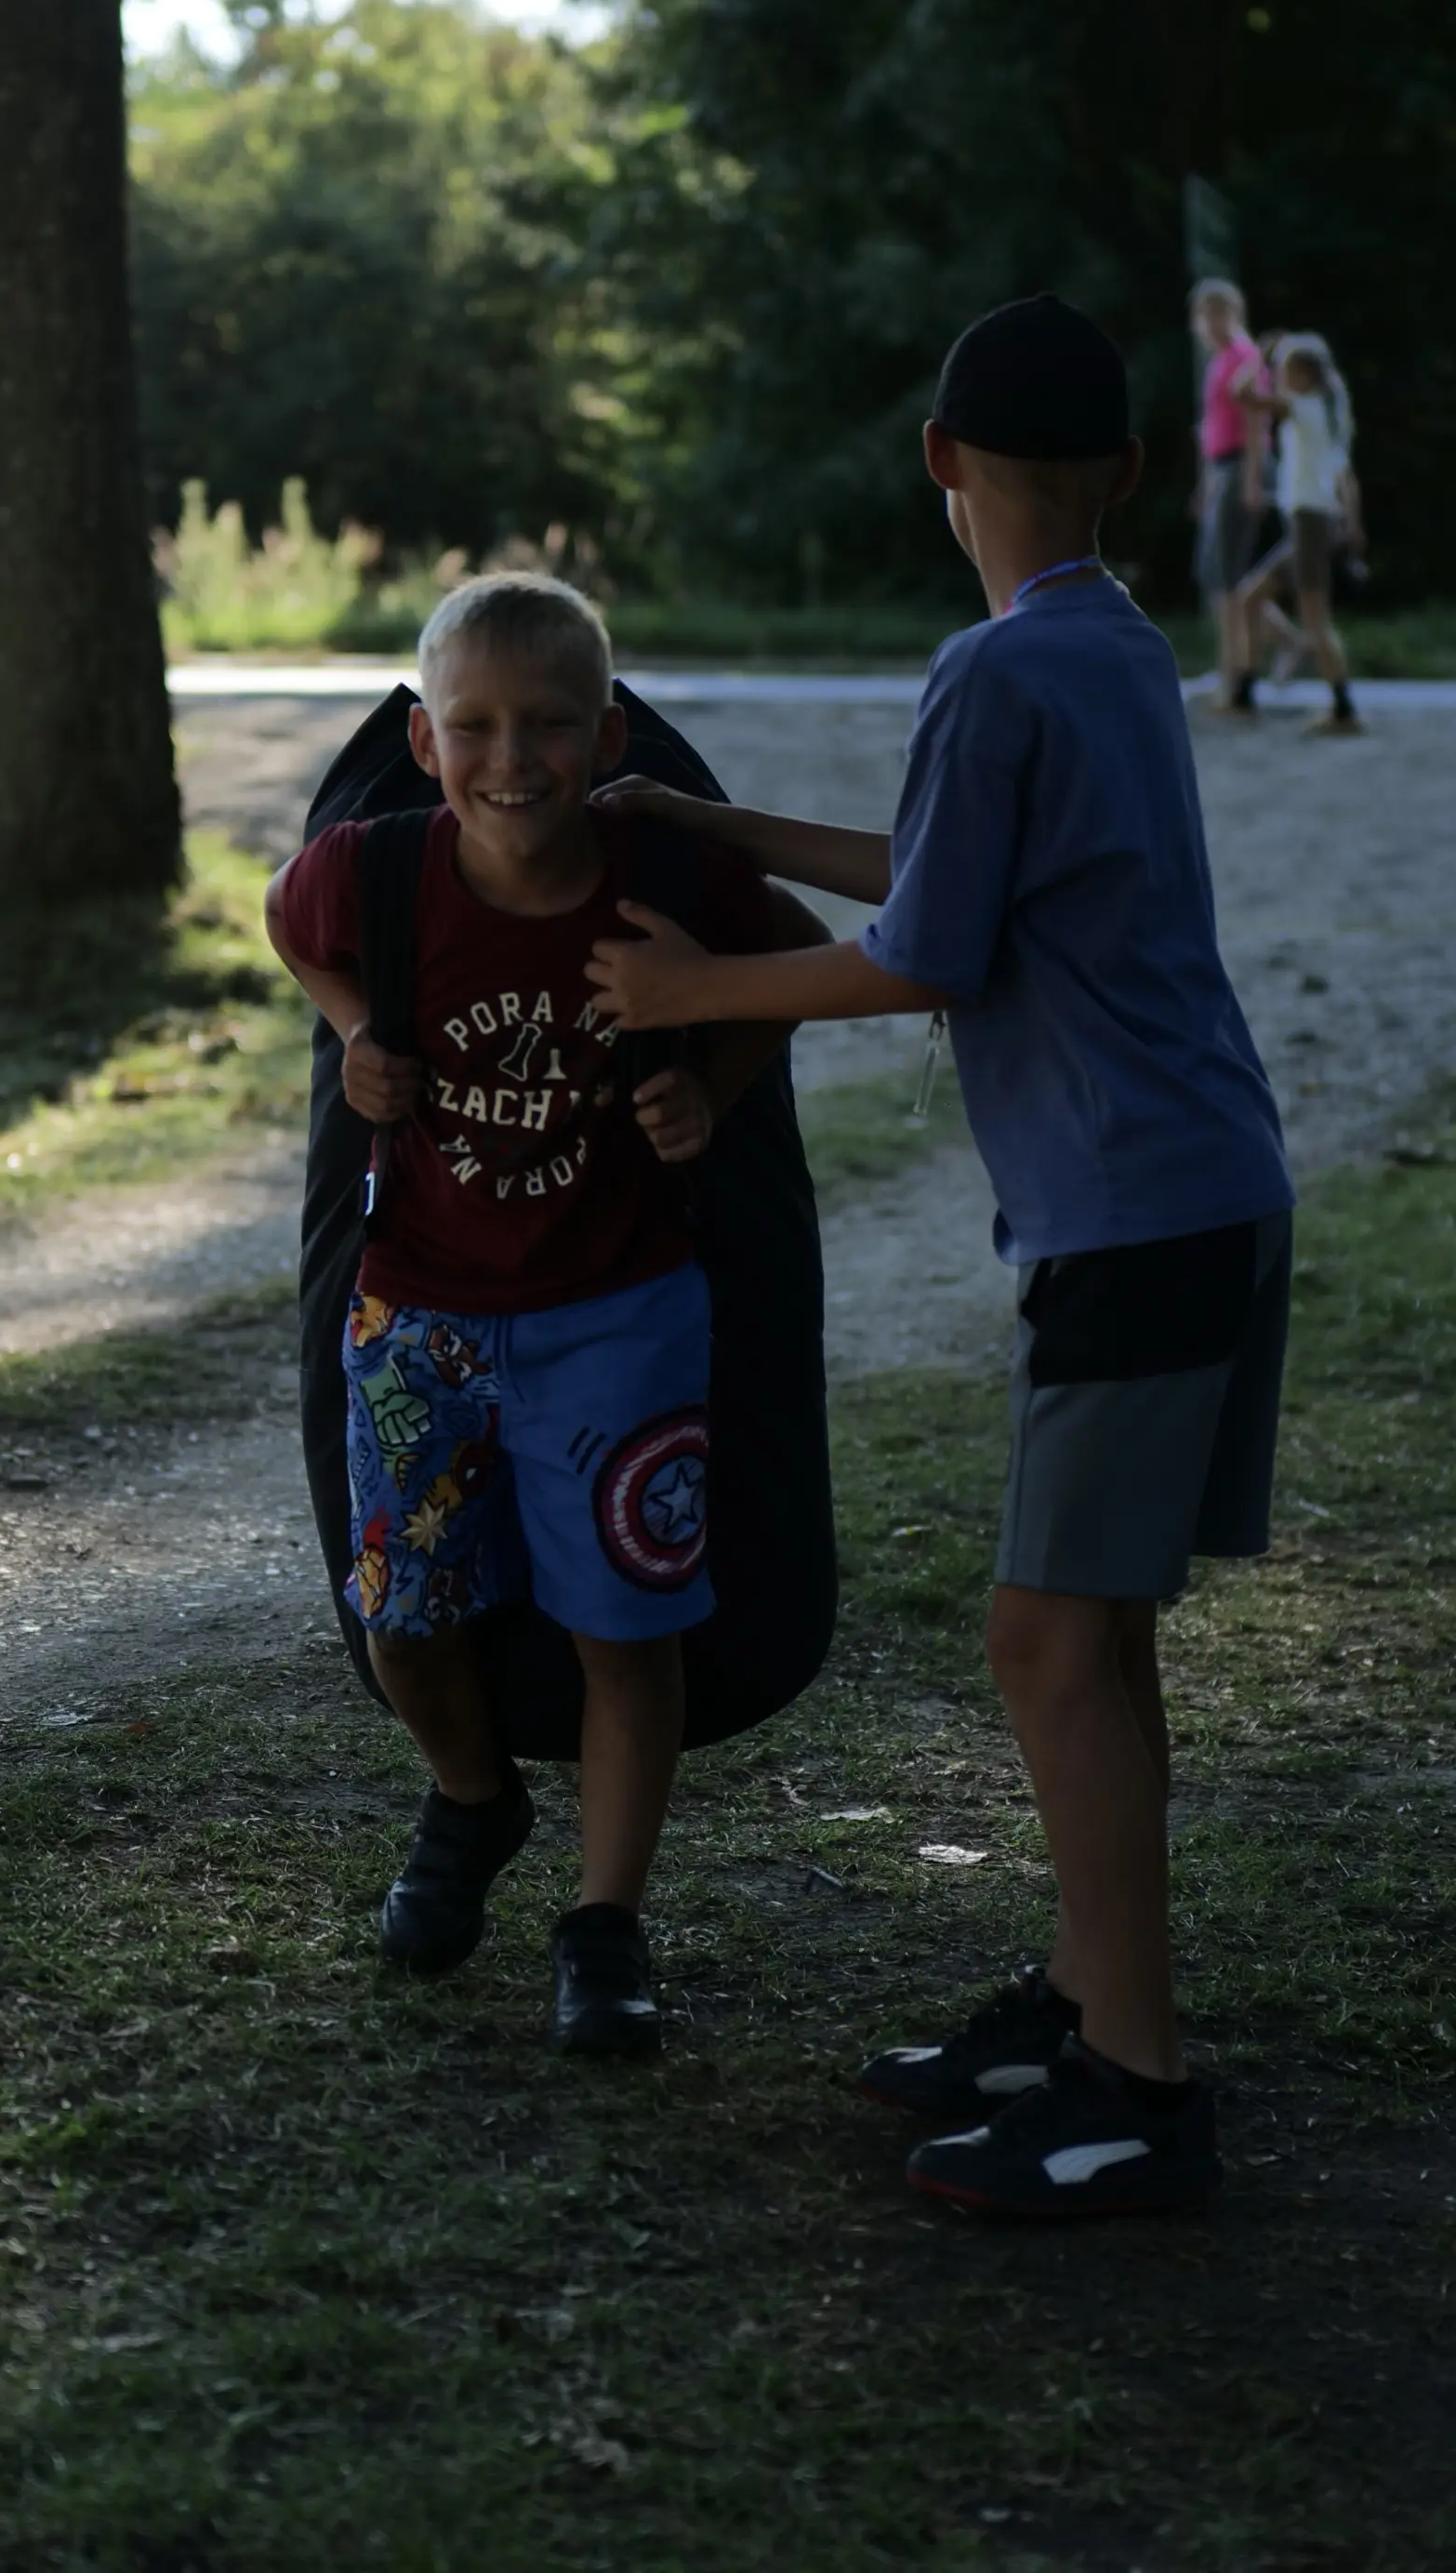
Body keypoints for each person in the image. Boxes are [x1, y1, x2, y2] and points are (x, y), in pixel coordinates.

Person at [583, 295, 1295, 2216]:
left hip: (1136, 1215)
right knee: (1096, 1636)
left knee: (1044, 1642)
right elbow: (939, 873)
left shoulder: (993, 669)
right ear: (1129, 473)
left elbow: (924, 954)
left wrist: (692, 989)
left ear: (937, 465)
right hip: (1205, 1190)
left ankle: (1136, 2088)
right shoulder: (1113, 644)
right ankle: (1085, 2004)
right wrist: (703, 822)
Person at [264, 573, 801, 2056]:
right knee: (401, 1622)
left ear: (607, 734)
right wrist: (354, 1029)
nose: (514, 758)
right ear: (425, 742)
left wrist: (711, 1088)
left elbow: (788, 967)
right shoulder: (378, 871)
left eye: (551, 725)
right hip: (416, 1324)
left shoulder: (663, 880)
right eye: (478, 726)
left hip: (618, 1317)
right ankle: (473, 1798)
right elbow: (287, 918)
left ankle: (605, 1925)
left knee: (625, 1634)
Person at [1238, 332, 1364, 736]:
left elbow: (1242, 394)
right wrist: (1353, 522)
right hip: (1310, 524)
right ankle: (1245, 695)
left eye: (1285, 370)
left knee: (1315, 618)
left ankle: (1344, 709)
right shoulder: (1328, 412)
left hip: (1310, 523)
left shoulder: (1303, 407)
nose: (1278, 376)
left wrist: (1258, 357)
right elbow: (1346, 477)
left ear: (1306, 375)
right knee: (1250, 598)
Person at [1189, 278, 1266, 715]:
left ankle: (1235, 679)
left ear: (1226, 314)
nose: (1202, 325)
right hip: (1221, 469)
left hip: (1240, 467)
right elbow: (1210, 430)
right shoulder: (1219, 361)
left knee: (1228, 579)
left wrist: (1253, 479)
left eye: (1207, 316)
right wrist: (1205, 486)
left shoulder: (1244, 356)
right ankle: (1273, 649)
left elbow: (1255, 422)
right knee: (1218, 572)